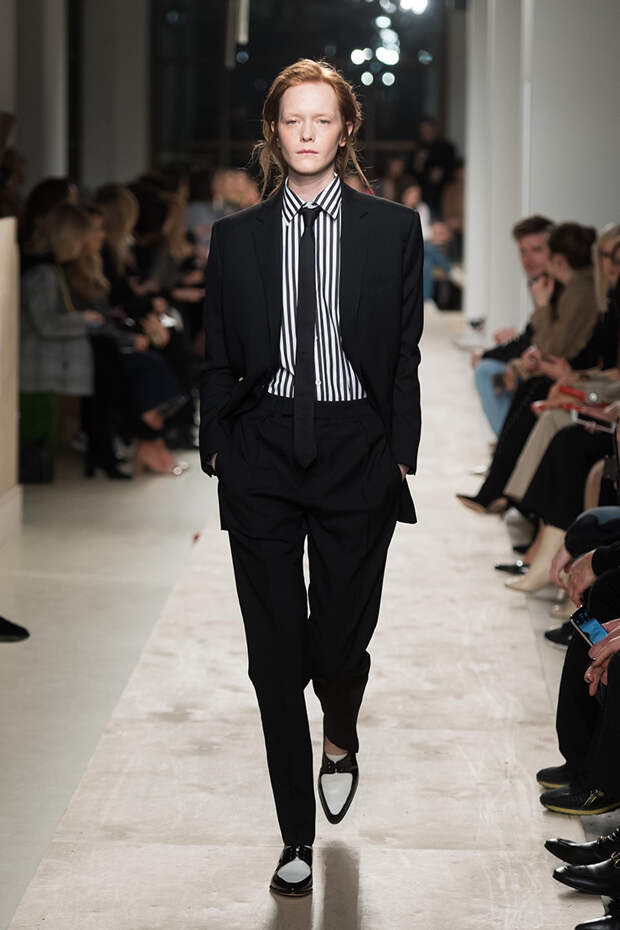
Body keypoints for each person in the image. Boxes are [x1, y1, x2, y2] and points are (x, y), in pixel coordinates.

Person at [200, 58, 423, 897]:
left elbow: (403, 351)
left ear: (346, 128)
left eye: (321, 119)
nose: (305, 133)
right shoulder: (235, 237)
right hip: (260, 447)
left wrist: (401, 449)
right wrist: (216, 446)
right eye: (291, 119)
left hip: (355, 445)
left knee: (337, 640)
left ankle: (341, 729)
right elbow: (218, 353)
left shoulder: (392, 230)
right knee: (272, 657)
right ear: (272, 130)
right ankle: (294, 833)